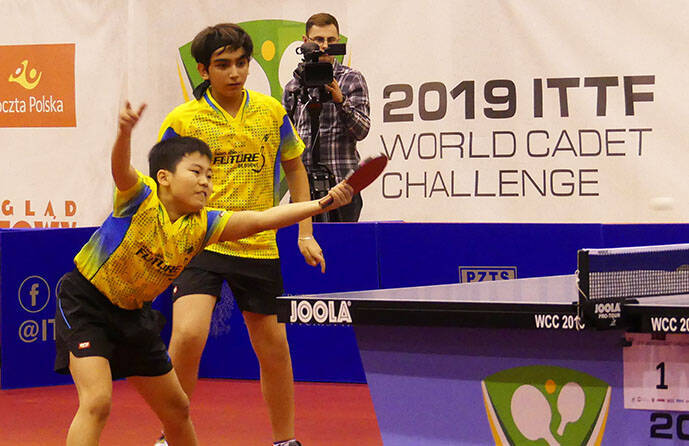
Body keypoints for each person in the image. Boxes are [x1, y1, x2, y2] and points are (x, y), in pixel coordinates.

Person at [55, 102, 352, 446]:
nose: (205, 182)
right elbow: (120, 169)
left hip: (134, 316)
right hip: (87, 304)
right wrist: (124, 133)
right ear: (164, 177)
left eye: (209, 176)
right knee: (97, 402)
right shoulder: (139, 198)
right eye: (195, 172)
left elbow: (260, 220)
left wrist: (322, 204)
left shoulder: (204, 224)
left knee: (178, 409)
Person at [157, 24, 319, 446]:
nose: (235, 72)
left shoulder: (271, 112)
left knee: (274, 348)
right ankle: (170, 436)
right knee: (187, 336)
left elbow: (295, 169)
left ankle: (285, 440)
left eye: (241, 63)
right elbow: (163, 184)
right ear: (203, 70)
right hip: (201, 240)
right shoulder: (183, 120)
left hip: (258, 243)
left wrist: (305, 234)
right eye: (223, 64)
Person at [283, 12, 371, 222]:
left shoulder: (351, 79)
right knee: (304, 242)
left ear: (338, 42)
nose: (324, 46)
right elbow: (285, 142)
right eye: (318, 40)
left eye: (331, 40)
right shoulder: (293, 87)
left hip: (343, 187)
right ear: (305, 41)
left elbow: (362, 130)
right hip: (303, 190)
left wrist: (341, 101)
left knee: (343, 243)